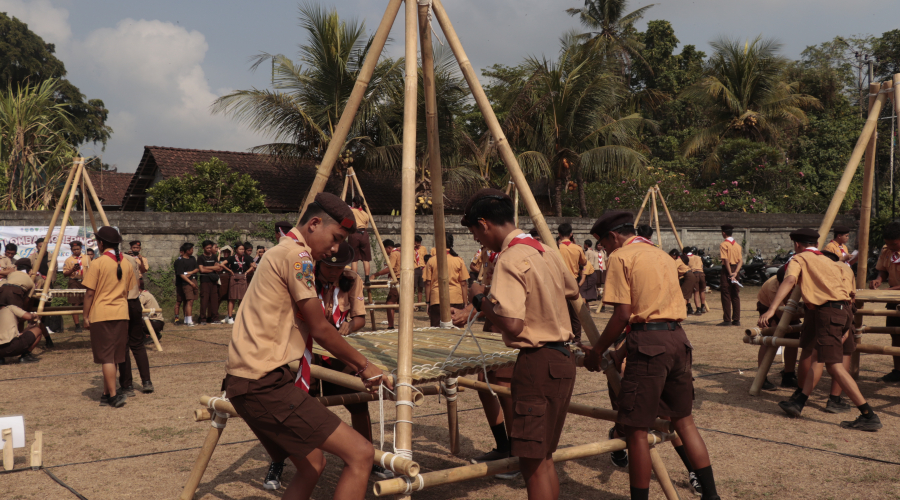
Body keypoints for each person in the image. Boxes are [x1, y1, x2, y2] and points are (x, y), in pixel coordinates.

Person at [223, 192, 391, 500]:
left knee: (313, 464)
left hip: (249, 379)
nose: (337, 248)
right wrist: (366, 367)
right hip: (264, 382)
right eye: (337, 237)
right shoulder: (297, 256)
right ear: (314, 223)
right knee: (362, 453)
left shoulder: (283, 252)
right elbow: (321, 329)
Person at [582, 210, 720, 500]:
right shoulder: (662, 255)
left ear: (613, 236)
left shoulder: (622, 257)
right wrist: (619, 352)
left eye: (604, 244)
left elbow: (623, 315)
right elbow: (650, 313)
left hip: (649, 344)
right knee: (684, 421)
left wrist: (597, 351)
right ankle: (711, 496)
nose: (604, 251)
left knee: (636, 431)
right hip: (678, 339)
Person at [459, 189, 578, 500]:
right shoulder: (545, 251)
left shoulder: (510, 258)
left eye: (474, 233)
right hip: (562, 358)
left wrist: (480, 298)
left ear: (484, 224)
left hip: (537, 362)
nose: (478, 242)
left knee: (532, 462)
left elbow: (511, 322)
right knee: (543, 457)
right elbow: (573, 288)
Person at [263, 242, 392, 490]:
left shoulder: (351, 279)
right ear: (319, 262)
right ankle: (278, 462)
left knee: (357, 400)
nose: (334, 272)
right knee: (293, 408)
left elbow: (360, 317)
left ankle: (370, 458)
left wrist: (350, 326)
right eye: (330, 267)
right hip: (303, 351)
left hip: (336, 352)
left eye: (339, 267)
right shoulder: (304, 276)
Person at [761, 229, 881, 431]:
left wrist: (772, 309)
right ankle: (799, 402)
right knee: (818, 356)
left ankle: (868, 414)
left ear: (797, 245)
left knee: (834, 366)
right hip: (841, 312)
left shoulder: (799, 258)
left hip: (828, 313)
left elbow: (790, 280)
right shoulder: (831, 262)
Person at [83, 226, 137, 408]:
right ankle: (106, 394)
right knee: (114, 356)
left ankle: (113, 395)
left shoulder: (97, 263)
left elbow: (89, 293)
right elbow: (129, 289)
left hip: (101, 314)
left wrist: (85, 315)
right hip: (122, 313)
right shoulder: (127, 264)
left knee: (107, 357)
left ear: (100, 243)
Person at [756, 266, 801, 391]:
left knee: (793, 337)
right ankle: (762, 377)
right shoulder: (773, 288)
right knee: (770, 337)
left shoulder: (799, 282)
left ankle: (789, 375)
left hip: (791, 307)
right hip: (768, 307)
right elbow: (782, 315)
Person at [870, 220, 900, 383]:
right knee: (895, 334)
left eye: (894, 244)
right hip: (893, 299)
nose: (891, 247)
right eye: (888, 244)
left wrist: (888, 291)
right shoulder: (886, 250)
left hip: (893, 293)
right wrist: (878, 279)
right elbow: (883, 269)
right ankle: (898, 370)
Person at [120, 251, 154, 395]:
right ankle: (146, 381)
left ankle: (127, 386)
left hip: (120, 303)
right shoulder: (131, 259)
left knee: (123, 346)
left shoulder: (107, 260)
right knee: (138, 344)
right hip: (134, 302)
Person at [424, 232, 469, 327]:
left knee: (437, 331)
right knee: (456, 330)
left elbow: (428, 283)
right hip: (456, 299)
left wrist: (428, 302)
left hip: (437, 300)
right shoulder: (459, 260)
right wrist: (465, 302)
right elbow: (464, 283)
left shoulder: (431, 260)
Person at [556, 223, 586, 343]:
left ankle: (563, 336)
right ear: (571, 234)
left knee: (560, 310)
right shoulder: (577, 248)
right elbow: (583, 262)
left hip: (559, 281)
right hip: (573, 281)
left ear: (559, 234)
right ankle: (577, 338)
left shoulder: (555, 248)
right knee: (575, 312)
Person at [0, 297, 43, 365]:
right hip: (13, 346)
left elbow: (18, 335)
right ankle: (26, 355)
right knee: (38, 330)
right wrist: (34, 315)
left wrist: (27, 329)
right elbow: (28, 317)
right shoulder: (10, 308)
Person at [62, 241, 91, 332]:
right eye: (74, 249)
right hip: (74, 281)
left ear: (81, 248)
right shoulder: (68, 260)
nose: (76, 251)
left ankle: (89, 322)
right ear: (71, 250)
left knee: (89, 302)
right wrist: (72, 270)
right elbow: (65, 274)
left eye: (77, 249)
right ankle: (77, 325)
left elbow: (91, 270)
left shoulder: (87, 258)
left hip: (85, 281)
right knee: (75, 303)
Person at [718, 224, 743, 326]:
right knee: (735, 295)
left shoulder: (724, 245)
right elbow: (741, 261)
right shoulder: (737, 245)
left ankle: (727, 320)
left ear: (724, 233)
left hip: (727, 270)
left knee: (726, 294)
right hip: (736, 269)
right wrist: (735, 273)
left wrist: (730, 274)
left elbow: (726, 260)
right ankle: (736, 319)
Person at [224, 243, 254, 324]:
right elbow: (222, 264)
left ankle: (240, 315)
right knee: (232, 298)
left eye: (243, 249)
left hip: (243, 277)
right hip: (234, 277)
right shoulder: (232, 258)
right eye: (240, 249)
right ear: (236, 250)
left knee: (242, 298)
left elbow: (253, 266)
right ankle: (230, 317)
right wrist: (230, 271)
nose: (242, 251)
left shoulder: (246, 258)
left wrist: (246, 272)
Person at [373, 239, 400, 329]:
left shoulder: (393, 254)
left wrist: (375, 274)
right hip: (402, 280)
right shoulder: (399, 252)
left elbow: (390, 269)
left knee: (390, 303)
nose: (385, 253)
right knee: (399, 302)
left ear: (389, 248)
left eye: (384, 250)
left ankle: (391, 325)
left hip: (397, 280)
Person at [347, 196, 373, 285]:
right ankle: (367, 279)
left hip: (354, 233)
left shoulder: (351, 211)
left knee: (354, 258)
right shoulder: (366, 214)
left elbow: (347, 222)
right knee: (366, 259)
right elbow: (366, 226)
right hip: (364, 234)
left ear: (354, 203)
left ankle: (354, 278)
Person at [197, 240, 223, 325]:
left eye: (210, 247)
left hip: (213, 281)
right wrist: (213, 268)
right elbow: (201, 270)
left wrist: (207, 268)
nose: (209, 249)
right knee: (204, 300)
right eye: (207, 248)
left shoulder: (214, 256)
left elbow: (218, 268)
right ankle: (203, 318)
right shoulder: (201, 258)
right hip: (205, 281)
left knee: (214, 300)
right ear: (203, 248)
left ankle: (214, 318)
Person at [174, 243, 199, 326]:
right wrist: (190, 282)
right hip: (186, 283)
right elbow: (181, 274)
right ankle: (188, 320)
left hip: (193, 280)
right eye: (191, 249)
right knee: (188, 300)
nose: (192, 251)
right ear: (187, 251)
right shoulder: (180, 261)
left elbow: (197, 268)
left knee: (190, 301)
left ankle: (187, 319)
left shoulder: (192, 258)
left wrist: (191, 273)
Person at [138, 280, 164, 345]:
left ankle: (146, 338)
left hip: (154, 323)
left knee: (134, 321)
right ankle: (155, 335)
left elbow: (137, 306)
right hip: (158, 323)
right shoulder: (147, 293)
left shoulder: (143, 296)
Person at [685, 246, 708, 315]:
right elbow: (701, 266)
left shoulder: (687, 258)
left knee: (696, 292)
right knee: (702, 291)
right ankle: (703, 307)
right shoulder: (698, 257)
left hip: (695, 274)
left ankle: (698, 309)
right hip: (702, 274)